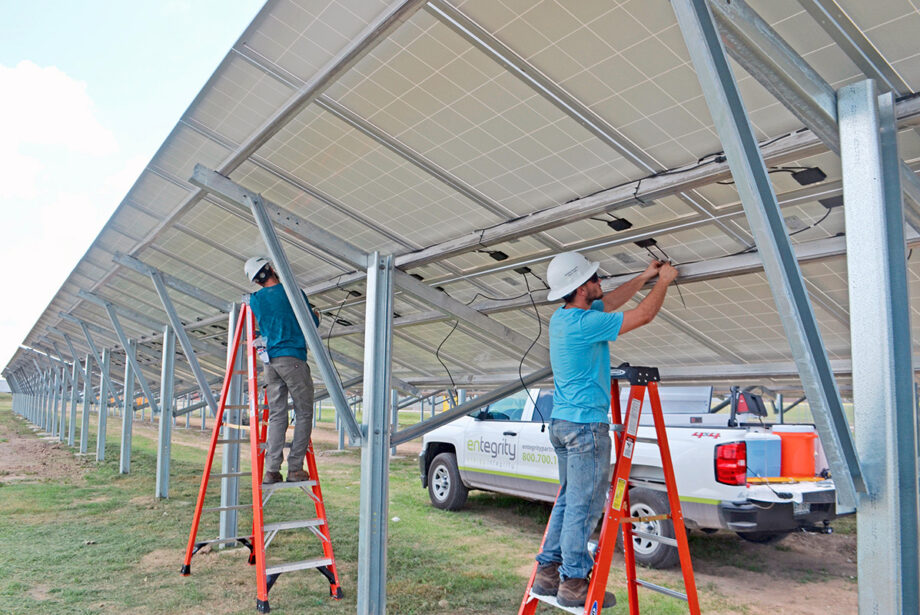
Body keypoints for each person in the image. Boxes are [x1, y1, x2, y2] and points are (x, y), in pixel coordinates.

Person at [532, 251, 678, 608]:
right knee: (584, 505)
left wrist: (645, 276)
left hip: (563, 424)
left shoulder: (563, 319)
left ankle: (548, 571)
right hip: (585, 429)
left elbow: (610, 301)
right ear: (582, 288)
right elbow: (643, 315)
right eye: (595, 279)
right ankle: (574, 581)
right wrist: (664, 282)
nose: (601, 283)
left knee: (568, 501)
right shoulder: (585, 324)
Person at [244, 256, 321, 485]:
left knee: (278, 414)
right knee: (304, 412)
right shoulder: (291, 292)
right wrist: (316, 315)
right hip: (292, 359)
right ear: (270, 268)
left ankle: (271, 470)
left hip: (270, 363)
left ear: (256, 281)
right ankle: (295, 468)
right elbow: (311, 324)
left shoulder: (255, 300)